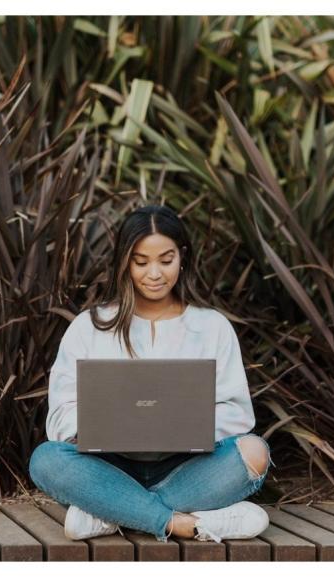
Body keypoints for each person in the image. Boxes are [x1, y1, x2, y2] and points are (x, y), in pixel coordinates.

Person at [28, 204, 274, 543]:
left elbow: (237, 413)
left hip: (187, 469)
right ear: (124, 262)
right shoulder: (90, 326)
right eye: (141, 262)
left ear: (182, 256)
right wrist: (99, 429)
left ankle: (112, 513)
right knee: (46, 460)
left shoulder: (212, 326)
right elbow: (61, 413)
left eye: (166, 260)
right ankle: (179, 522)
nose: (154, 274)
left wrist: (185, 427)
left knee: (255, 452)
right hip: (108, 467)